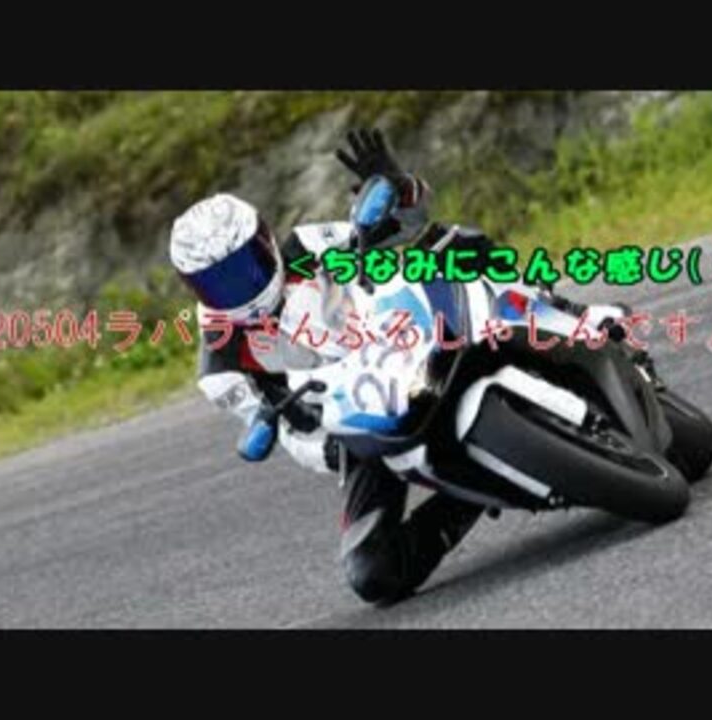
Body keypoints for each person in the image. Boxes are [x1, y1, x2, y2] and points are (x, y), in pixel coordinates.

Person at [169, 129, 625, 605]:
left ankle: (570, 315)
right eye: (217, 283)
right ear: (194, 289)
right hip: (355, 420)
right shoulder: (221, 366)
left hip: (400, 340)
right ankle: (472, 494)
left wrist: (397, 185)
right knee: (373, 571)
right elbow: (282, 432)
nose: (239, 288)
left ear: (266, 240)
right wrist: (331, 448)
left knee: (449, 243)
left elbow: (400, 232)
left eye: (245, 267)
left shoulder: (306, 247)